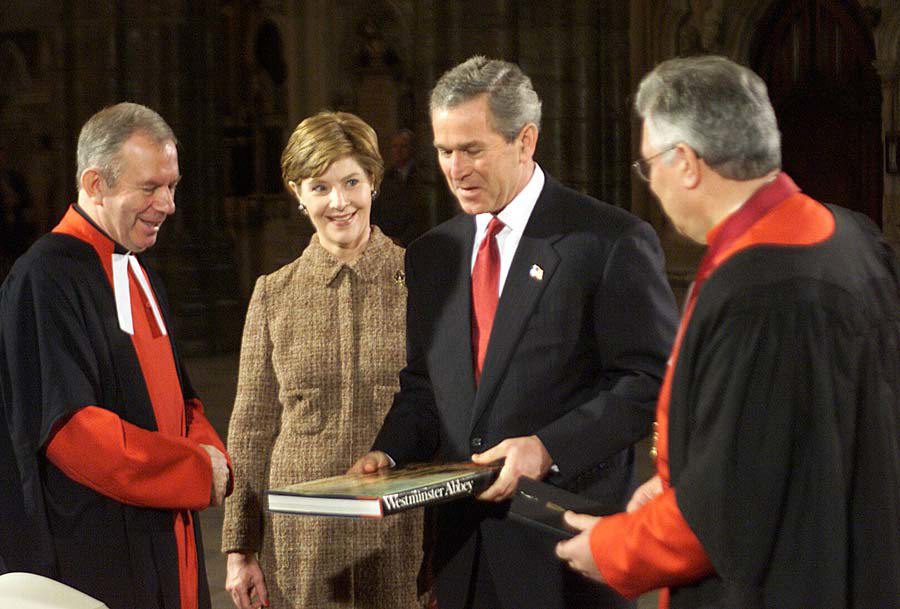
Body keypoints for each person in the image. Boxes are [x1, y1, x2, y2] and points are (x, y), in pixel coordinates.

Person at [555, 55, 900, 608]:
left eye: (650, 167)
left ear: (686, 162)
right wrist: (675, 482)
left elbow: (730, 509)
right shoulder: (852, 237)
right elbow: (786, 441)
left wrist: (613, 548)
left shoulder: (761, 293)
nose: (654, 188)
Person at [350, 56, 679, 609]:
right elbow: (424, 388)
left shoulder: (607, 242)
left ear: (525, 140)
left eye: (473, 149)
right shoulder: (434, 255)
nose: (456, 168)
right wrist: (389, 452)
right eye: (444, 150)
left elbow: (649, 383)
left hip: (561, 550)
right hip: (460, 554)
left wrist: (548, 448)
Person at [0, 102, 232, 609]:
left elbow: (181, 397)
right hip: (98, 548)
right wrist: (193, 472)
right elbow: (72, 433)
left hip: (170, 533)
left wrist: (210, 452)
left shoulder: (138, 268)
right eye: (149, 188)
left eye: (171, 186)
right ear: (95, 182)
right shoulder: (45, 277)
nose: (167, 204)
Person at [221, 111, 424, 609]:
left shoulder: (421, 282)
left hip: (399, 531)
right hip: (304, 533)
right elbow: (251, 428)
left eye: (351, 181)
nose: (339, 202)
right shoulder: (273, 294)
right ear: (296, 192)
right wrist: (239, 548)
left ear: (373, 181)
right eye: (320, 186)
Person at [370, 128, 429, 246]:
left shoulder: (423, 177)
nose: (398, 151)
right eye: (395, 147)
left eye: (403, 146)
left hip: (416, 242)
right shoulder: (384, 179)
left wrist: (403, 240)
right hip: (388, 242)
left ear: (411, 149)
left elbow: (423, 215)